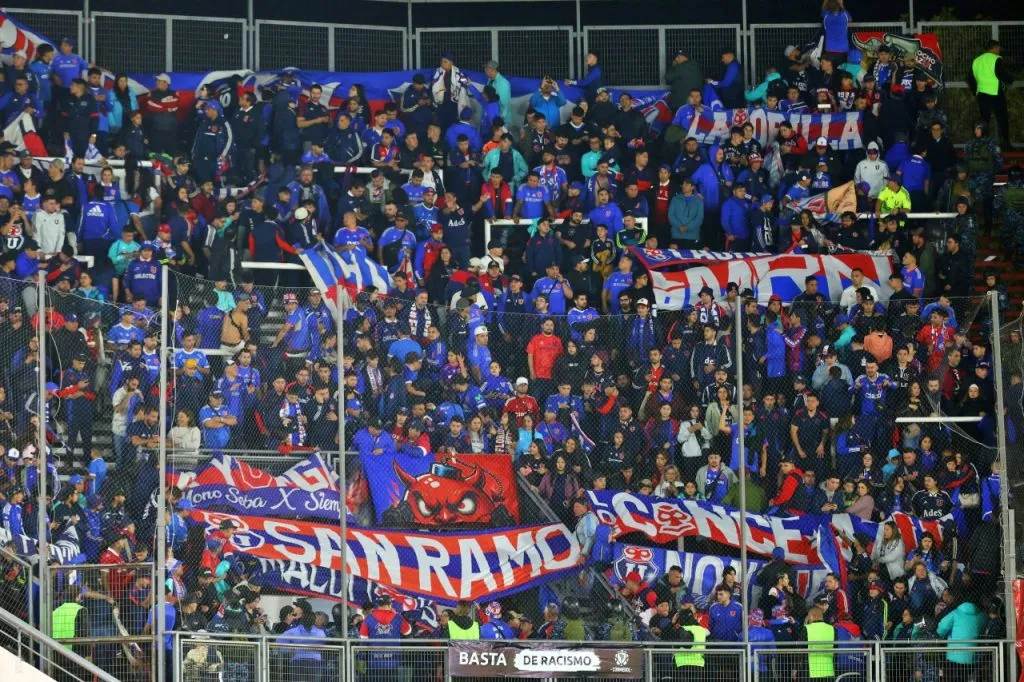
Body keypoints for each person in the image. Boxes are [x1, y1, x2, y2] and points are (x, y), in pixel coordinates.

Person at [969, 41, 1013, 149]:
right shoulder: (996, 59)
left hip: (982, 94)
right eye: (998, 48)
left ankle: (983, 145)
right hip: (995, 92)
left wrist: (976, 91)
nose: (999, 51)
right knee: (1002, 118)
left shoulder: (977, 60)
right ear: (994, 48)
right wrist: (1010, 79)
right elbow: (1001, 74)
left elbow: (970, 78)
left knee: (984, 120)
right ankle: (1005, 144)